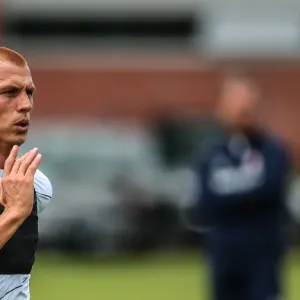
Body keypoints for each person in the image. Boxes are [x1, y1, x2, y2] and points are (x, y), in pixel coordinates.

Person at [185, 74, 292, 300]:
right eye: (235, 104)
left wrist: (228, 194)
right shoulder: (211, 155)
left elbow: (270, 191)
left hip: (263, 258)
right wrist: (248, 191)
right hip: (224, 258)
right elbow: (205, 204)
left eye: (246, 104)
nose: (242, 111)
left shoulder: (272, 151)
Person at [0, 47, 52, 299]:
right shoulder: (22, 200)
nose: (25, 105)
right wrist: (13, 214)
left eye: (29, 93)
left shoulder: (34, 185)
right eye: (9, 92)